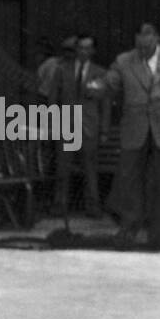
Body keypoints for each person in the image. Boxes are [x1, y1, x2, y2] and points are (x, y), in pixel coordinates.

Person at [88, 23, 160, 249]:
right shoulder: (124, 60)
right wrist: (98, 86)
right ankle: (129, 232)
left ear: (157, 39)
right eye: (138, 45)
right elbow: (110, 80)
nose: (142, 50)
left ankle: (159, 237)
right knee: (130, 183)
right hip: (135, 130)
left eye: (146, 45)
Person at [48, 33, 108, 217]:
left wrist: (104, 130)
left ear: (93, 51)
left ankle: (93, 206)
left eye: (87, 48)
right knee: (62, 168)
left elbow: (105, 105)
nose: (83, 51)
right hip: (66, 124)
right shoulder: (62, 70)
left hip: (88, 126)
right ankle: (60, 204)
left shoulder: (100, 73)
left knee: (90, 168)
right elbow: (53, 99)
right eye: (80, 47)